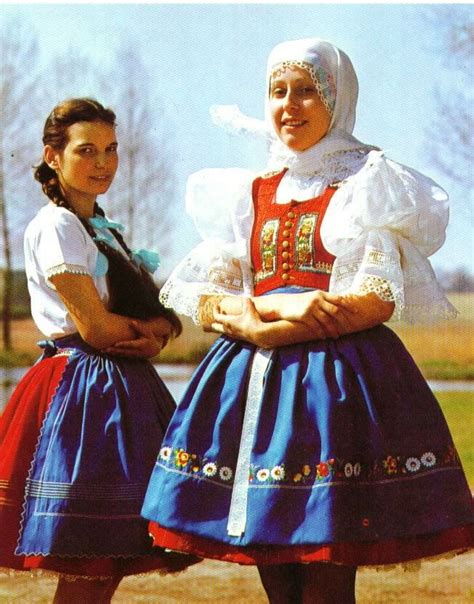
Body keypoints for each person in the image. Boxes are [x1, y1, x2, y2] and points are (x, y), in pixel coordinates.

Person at [140, 39, 472, 603]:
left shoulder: (363, 185)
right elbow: (208, 296)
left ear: (337, 101)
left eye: (306, 92)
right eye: (278, 92)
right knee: (276, 563)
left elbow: (373, 298)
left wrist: (272, 324)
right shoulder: (249, 193)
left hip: (333, 391)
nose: (289, 106)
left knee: (325, 563)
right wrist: (266, 319)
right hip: (255, 388)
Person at [0, 98, 198, 603]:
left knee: (107, 556)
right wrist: (149, 333)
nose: (103, 163)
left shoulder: (99, 227)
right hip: (81, 392)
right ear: (53, 157)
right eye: (86, 150)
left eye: (111, 150)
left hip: (118, 387)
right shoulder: (57, 226)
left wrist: (154, 329)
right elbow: (95, 328)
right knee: (90, 551)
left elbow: (148, 323)